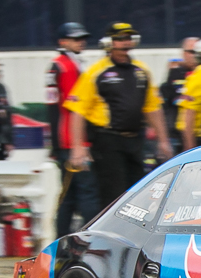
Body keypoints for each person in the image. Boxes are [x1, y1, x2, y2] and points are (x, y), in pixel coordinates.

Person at [66, 22, 173, 212]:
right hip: (108, 141)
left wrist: (163, 141)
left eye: (128, 38)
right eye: (120, 39)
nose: (125, 43)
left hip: (135, 139)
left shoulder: (141, 71)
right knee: (113, 194)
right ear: (110, 43)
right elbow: (77, 110)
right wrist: (77, 147)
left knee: (139, 192)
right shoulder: (96, 72)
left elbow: (153, 108)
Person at [46, 22, 99, 237]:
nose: (81, 42)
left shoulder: (58, 65)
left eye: (82, 38)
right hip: (72, 142)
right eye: (75, 39)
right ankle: (91, 239)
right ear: (63, 42)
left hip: (64, 141)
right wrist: (80, 144)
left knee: (69, 195)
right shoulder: (67, 67)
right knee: (87, 193)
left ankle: (60, 240)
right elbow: (74, 106)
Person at [159, 37, 199, 149]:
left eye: (197, 52)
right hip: (176, 133)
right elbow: (173, 98)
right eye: (191, 52)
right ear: (184, 53)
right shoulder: (175, 74)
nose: (194, 55)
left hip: (199, 133)